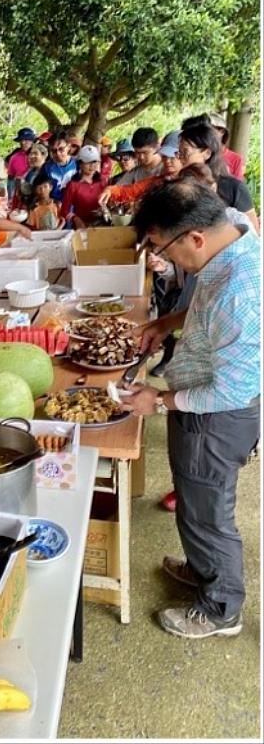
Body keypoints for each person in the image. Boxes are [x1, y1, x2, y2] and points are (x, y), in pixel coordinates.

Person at [123, 179, 260, 639]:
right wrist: (166, 321)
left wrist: (158, 400)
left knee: (207, 511)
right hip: (200, 400)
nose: (161, 259)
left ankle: (222, 606)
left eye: (161, 248)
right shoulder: (232, 228)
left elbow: (234, 390)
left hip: (217, 415)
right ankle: (204, 569)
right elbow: (203, 306)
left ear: (194, 238)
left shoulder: (241, 293)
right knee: (196, 500)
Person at [178, 123, 258, 233]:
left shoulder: (233, 188)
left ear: (207, 153)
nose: (180, 159)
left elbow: (253, 233)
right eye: (179, 153)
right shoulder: (179, 186)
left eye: (185, 153)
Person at [60, 145, 108, 228]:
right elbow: (64, 211)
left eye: (95, 162)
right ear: (80, 164)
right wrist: (75, 218)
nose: (92, 165)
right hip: (82, 228)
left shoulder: (103, 181)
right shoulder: (73, 185)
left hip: (102, 226)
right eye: (88, 162)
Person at [40, 130, 77, 202]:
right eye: (54, 151)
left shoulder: (77, 164)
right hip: (54, 206)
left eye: (61, 149)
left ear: (69, 147)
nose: (58, 154)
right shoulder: (46, 168)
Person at [13, 140, 48, 210]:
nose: (31, 156)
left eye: (35, 153)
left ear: (44, 155)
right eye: (30, 154)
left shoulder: (48, 172)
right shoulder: (29, 172)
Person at [6, 127, 35, 199]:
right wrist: (10, 198)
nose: (23, 142)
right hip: (19, 194)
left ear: (32, 141)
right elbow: (10, 180)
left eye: (25, 140)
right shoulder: (14, 157)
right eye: (21, 140)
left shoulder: (39, 155)